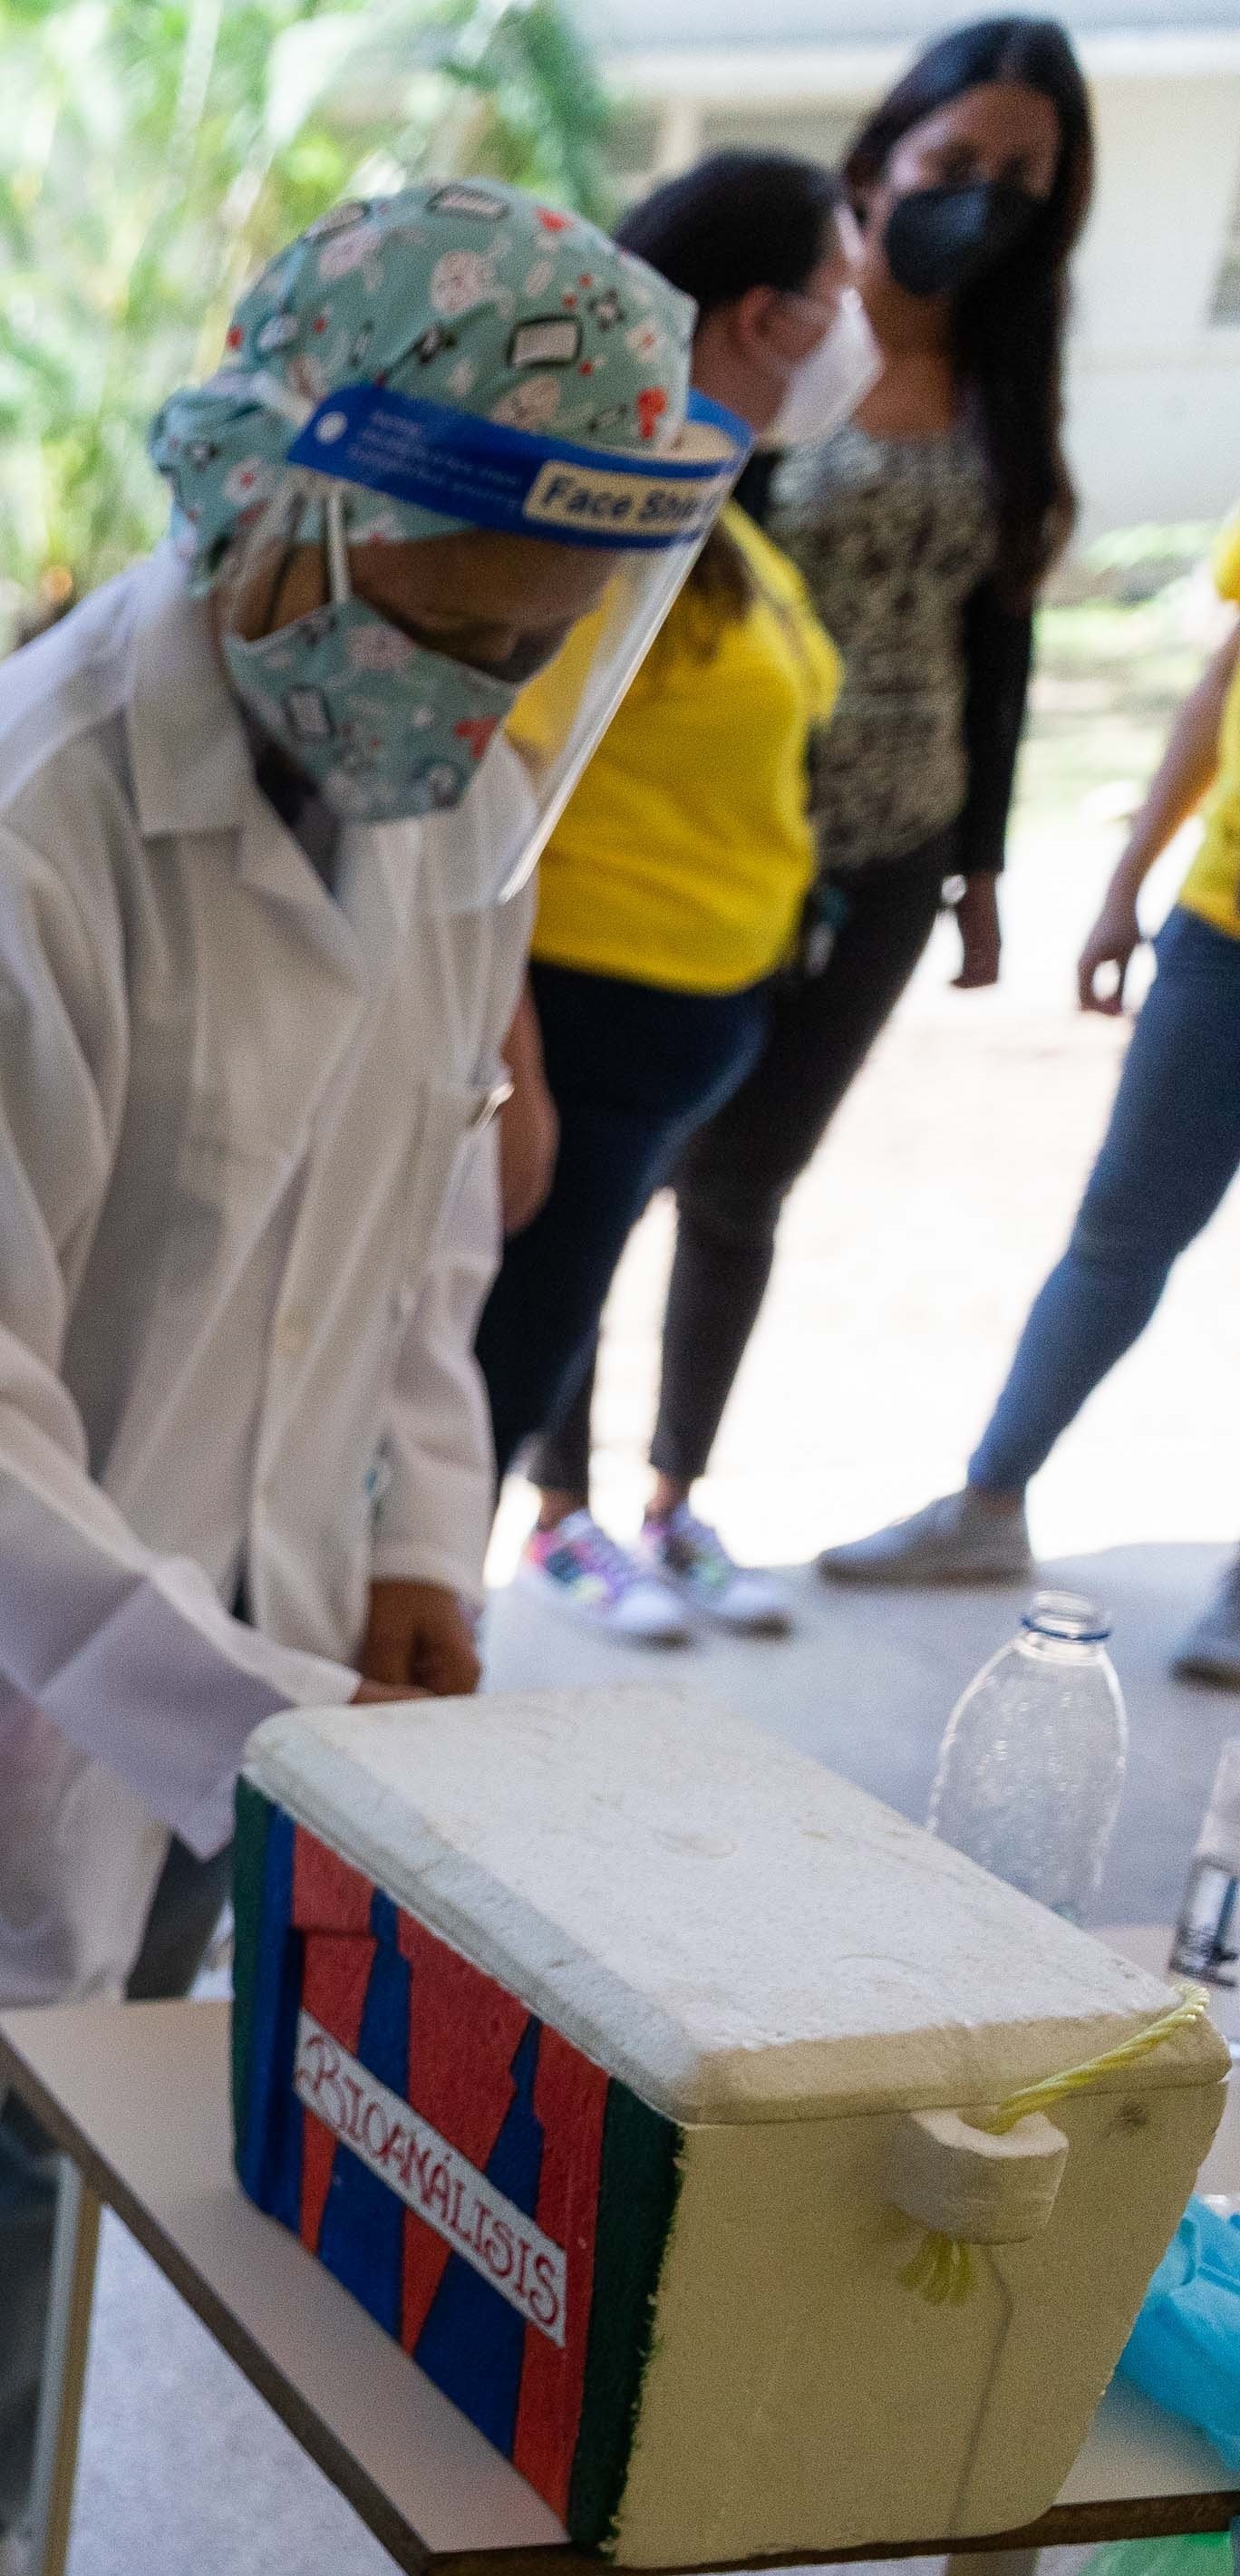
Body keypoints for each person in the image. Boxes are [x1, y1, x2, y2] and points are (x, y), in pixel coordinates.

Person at [0, 181, 730, 2576]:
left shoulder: (433, 827)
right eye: (465, 620)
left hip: (243, 1670)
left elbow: (412, 1228)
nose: (494, 692)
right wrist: (248, 1707)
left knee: (70, 2153)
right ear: (287, 510)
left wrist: (411, 1541)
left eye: (538, 644)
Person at [596, 19, 1090, 1596]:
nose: (983, 201)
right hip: (713, 830)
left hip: (896, 841)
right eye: (959, 165)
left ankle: (675, 1495)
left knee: (747, 1180)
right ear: (886, 156)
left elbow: (998, 633)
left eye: (1024, 178)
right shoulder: (778, 331)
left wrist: (984, 871)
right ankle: (554, 1507)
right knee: (621, 1147)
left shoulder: (1008, 369)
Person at [472, 153, 863, 1643]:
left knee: (522, 1354)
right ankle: (387, 1691)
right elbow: (488, 790)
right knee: (493, 1380)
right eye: (840, 300)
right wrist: (513, 1069)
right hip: (580, 1021)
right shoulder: (608, 521)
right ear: (763, 318)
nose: (857, 330)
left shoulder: (714, 514)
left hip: (675, 1024)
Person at [809, 515, 1240, 1679]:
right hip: (1220, 930)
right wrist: (1125, 882)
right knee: (1117, 1230)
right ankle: (987, 1506)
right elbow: (1222, 676)